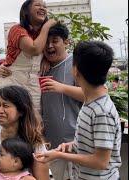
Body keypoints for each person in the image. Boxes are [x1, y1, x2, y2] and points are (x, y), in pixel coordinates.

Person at [34, 41, 122, 180]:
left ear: (75, 70)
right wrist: (71, 146)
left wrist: (59, 155)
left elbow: (101, 162)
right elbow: (92, 144)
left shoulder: (101, 112)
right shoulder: (90, 103)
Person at [40, 23, 84, 180]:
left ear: (66, 42)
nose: (50, 46)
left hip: (75, 144)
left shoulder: (77, 64)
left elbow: (91, 94)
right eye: (46, 42)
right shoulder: (42, 67)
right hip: (51, 146)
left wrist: (61, 87)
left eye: (55, 41)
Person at [0, 0, 56, 110]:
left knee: (35, 122)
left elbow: (54, 50)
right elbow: (34, 49)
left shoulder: (46, 33)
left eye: (45, 6)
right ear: (26, 11)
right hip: (12, 81)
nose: (42, 8)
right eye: (38, 5)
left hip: (34, 85)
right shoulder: (17, 30)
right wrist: (46, 26)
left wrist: (46, 59)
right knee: (12, 121)